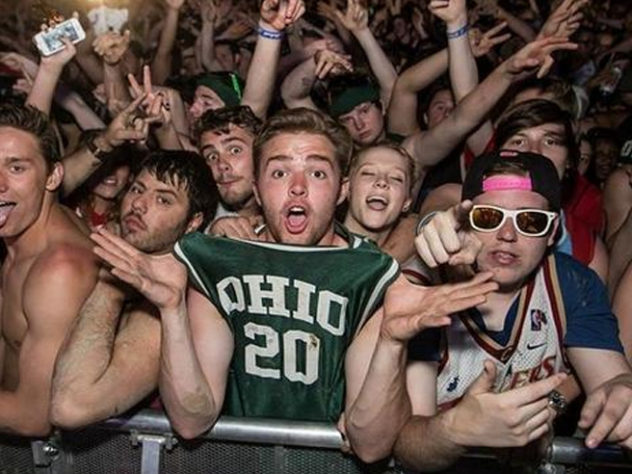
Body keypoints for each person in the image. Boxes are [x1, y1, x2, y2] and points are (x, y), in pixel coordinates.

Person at [91, 108, 496, 462]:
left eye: (317, 172)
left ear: (342, 190)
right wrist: (172, 311)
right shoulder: (221, 261)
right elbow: (192, 419)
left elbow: (371, 446)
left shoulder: (370, 273)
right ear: (257, 188)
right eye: (280, 172)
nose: (298, 186)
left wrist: (391, 343)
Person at [396, 150, 632, 471]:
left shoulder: (571, 284)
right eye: (488, 217)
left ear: (552, 232)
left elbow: (609, 379)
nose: (507, 235)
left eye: (530, 221)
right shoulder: (425, 289)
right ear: (465, 223)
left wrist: (617, 393)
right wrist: (456, 430)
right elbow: (409, 445)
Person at [50, 150, 218, 428]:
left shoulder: (171, 300)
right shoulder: (97, 246)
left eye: (163, 199)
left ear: (193, 222)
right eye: (137, 189)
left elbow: (70, 407)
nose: (139, 204)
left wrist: (110, 285)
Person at [0, 104, 98, 436]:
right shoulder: (20, 235)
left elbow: (33, 416)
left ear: (53, 177)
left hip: (49, 455)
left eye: (16, 168)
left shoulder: (60, 270)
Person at [195, 106, 262, 233]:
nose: (221, 165)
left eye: (235, 150)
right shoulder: (198, 221)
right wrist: (211, 239)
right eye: (212, 156)